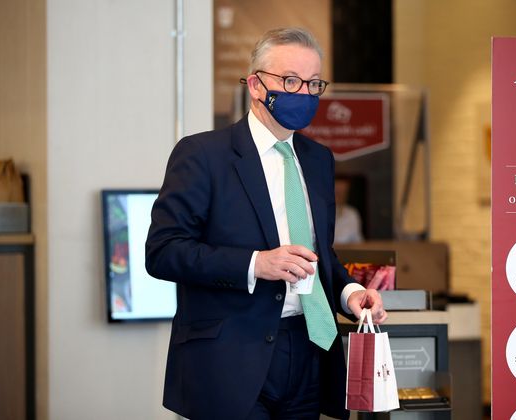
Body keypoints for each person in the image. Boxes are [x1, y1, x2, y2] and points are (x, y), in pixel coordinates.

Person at [145, 27, 387, 420]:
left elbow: (319, 253)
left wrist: (350, 294)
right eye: (290, 80)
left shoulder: (319, 159)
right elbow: (163, 252)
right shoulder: (203, 155)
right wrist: (256, 263)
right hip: (230, 360)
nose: (303, 93)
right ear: (256, 85)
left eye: (313, 83)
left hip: (309, 350)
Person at [333, 176, 364, 244]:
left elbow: (358, 241)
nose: (341, 196)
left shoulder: (352, 213)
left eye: (344, 192)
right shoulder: (321, 214)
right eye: (337, 192)